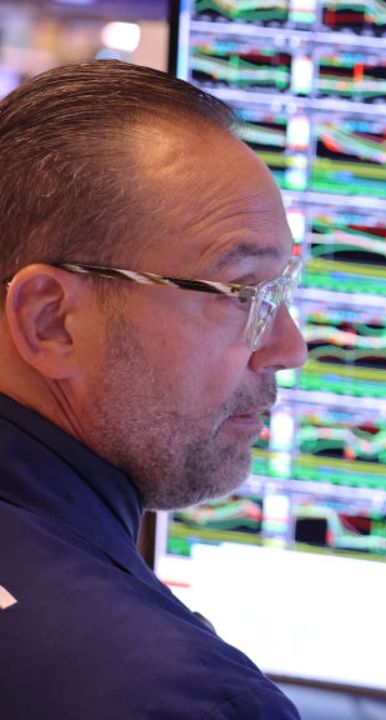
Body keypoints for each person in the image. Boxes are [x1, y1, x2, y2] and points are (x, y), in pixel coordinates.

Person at [0, 60, 306, 718]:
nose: (289, 347)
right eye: (245, 293)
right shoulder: (180, 696)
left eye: (283, 292)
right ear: (50, 320)